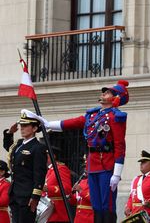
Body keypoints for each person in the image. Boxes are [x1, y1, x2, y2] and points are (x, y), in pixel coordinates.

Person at [31, 80, 129, 223]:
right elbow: (71, 123)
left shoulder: (116, 117)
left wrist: (117, 173)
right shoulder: (93, 115)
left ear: (116, 98)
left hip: (106, 164)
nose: (103, 93)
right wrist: (47, 123)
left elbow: (120, 146)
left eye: (107, 92)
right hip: (93, 164)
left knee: (106, 205)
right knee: (96, 205)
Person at [2, 111, 48, 223]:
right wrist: (9, 132)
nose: (22, 128)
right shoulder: (19, 144)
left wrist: (35, 197)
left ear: (34, 128)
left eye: (25, 125)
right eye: (21, 125)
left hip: (27, 195)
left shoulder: (38, 148)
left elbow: (40, 173)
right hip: (15, 193)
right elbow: (8, 147)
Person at [124, 150, 150, 223]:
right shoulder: (136, 179)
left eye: (144, 162)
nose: (141, 164)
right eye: (141, 162)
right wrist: (128, 207)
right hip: (136, 216)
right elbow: (132, 196)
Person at [43, 147, 72, 223]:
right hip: (47, 210)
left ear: (53, 156)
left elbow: (67, 189)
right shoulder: (50, 169)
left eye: (45, 154)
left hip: (58, 212)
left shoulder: (60, 168)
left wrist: (48, 189)